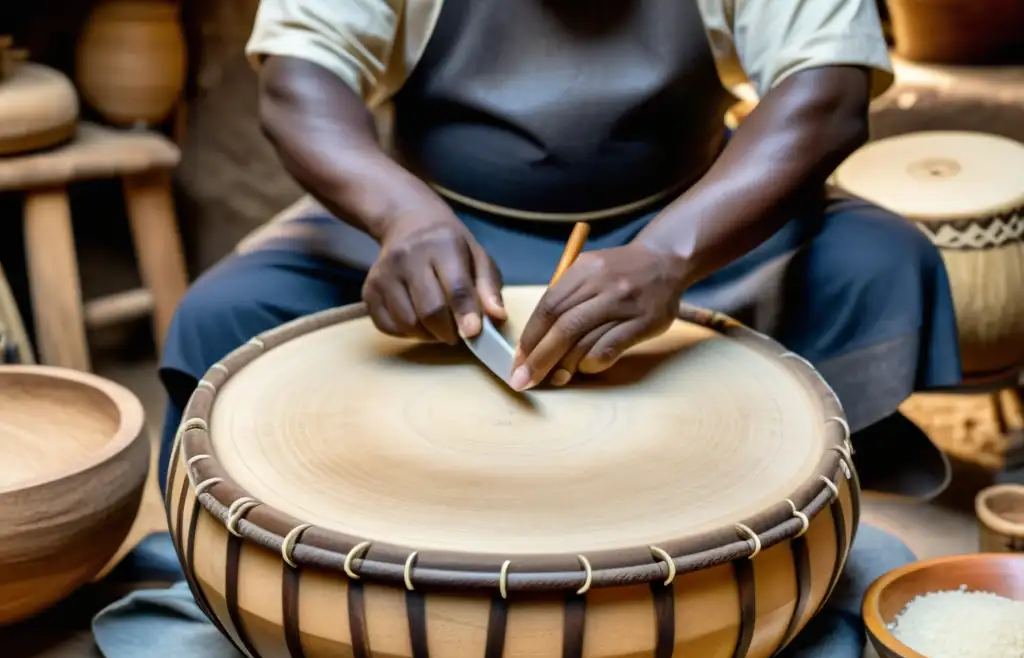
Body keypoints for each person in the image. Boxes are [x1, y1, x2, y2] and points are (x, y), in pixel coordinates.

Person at [158, 0, 962, 497]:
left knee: (880, 264)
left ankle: (797, 519)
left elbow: (826, 98)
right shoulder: (416, 221)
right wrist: (403, 216)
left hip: (686, 231)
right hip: (440, 236)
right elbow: (298, 83)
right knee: (228, 310)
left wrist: (669, 255)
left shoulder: (676, 244)